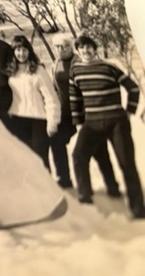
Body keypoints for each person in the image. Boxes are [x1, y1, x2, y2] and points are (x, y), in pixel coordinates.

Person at [70, 36, 145, 218]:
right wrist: (79, 123)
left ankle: (138, 209)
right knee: (78, 155)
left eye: (89, 47)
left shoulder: (109, 67)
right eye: (82, 48)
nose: (86, 51)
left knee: (126, 163)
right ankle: (85, 198)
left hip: (116, 123)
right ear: (78, 51)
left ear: (94, 49)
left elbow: (133, 88)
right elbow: (75, 99)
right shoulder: (76, 70)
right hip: (92, 123)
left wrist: (128, 111)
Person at [50, 33, 120, 194]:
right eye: (58, 47)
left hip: (87, 113)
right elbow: (55, 89)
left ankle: (112, 186)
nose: (61, 49)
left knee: (99, 150)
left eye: (65, 46)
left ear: (71, 47)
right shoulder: (55, 65)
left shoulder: (81, 61)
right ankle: (64, 179)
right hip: (66, 114)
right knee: (56, 141)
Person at [6, 35, 60, 169]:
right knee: (22, 159)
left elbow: (51, 98)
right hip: (17, 119)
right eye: (18, 50)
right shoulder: (10, 71)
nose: (21, 53)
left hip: (38, 120)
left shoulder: (39, 70)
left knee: (40, 159)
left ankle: (46, 189)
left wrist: (52, 121)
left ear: (29, 51)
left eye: (24, 50)